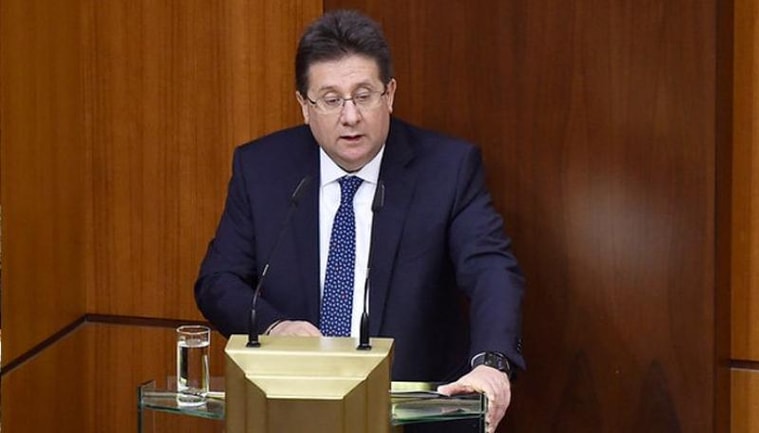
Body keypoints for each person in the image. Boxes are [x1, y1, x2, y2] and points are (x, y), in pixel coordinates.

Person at [195, 9, 525, 433]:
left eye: (364, 95)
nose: (350, 116)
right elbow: (218, 281)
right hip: (293, 412)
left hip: (414, 416)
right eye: (331, 100)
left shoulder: (447, 169)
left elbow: (490, 269)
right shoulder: (262, 169)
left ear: (390, 94)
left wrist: (492, 363)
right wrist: (276, 327)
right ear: (304, 106)